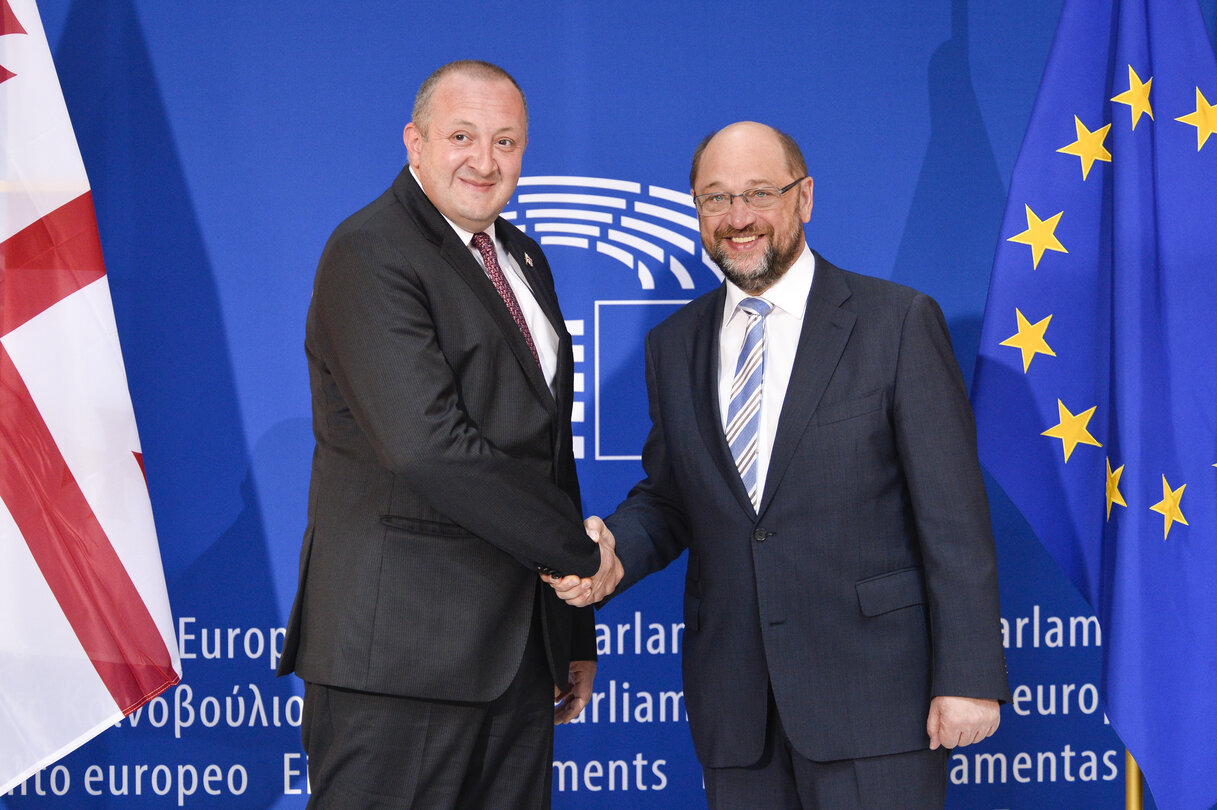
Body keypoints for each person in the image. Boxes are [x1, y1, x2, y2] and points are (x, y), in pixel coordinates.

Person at [551, 121, 1009, 809]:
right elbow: (674, 499)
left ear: (804, 197)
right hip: (737, 715)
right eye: (715, 198)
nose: (738, 218)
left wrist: (968, 675)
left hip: (876, 704)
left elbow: (952, 516)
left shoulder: (896, 323)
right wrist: (614, 555)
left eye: (759, 193)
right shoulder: (673, 346)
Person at [278, 59, 622, 809]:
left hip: (517, 657)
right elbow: (427, 444)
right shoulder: (370, 250)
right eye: (461, 136)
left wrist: (572, 628)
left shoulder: (521, 256)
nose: (485, 160)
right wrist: (579, 555)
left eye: (506, 142)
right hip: (401, 662)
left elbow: (546, 450)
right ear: (415, 142)